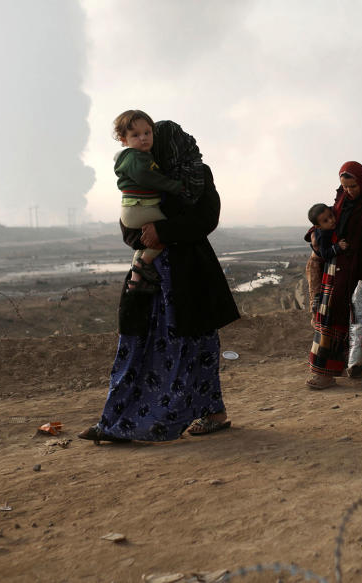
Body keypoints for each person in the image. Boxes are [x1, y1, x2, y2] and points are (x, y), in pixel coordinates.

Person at [78, 118, 239, 443]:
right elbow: (129, 217)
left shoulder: (197, 174)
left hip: (189, 275)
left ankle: (205, 414)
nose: (149, 145)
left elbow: (207, 217)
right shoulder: (144, 172)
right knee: (137, 347)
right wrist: (141, 236)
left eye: (155, 139)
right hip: (150, 278)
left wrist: (163, 232)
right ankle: (119, 420)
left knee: (193, 348)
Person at [306, 161, 362, 389]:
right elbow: (328, 223)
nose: (349, 191)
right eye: (345, 186)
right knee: (331, 315)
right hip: (337, 267)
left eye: (353, 186)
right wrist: (317, 235)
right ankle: (325, 372)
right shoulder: (341, 197)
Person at [112, 110, 192, 293]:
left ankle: (134, 280)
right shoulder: (134, 157)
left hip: (135, 210)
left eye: (147, 133)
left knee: (148, 242)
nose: (143, 138)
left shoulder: (141, 157)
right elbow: (148, 178)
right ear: (124, 140)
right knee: (166, 232)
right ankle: (143, 264)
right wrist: (174, 186)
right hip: (140, 209)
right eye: (135, 135)